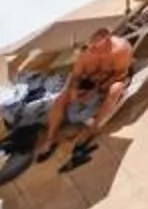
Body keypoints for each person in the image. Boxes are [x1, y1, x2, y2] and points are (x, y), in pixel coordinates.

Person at [37, 28, 133, 162]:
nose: (92, 50)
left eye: (96, 48)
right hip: (89, 82)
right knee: (61, 99)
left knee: (115, 89)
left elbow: (121, 74)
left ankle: (94, 128)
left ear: (107, 43)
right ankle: (50, 138)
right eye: (91, 47)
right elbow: (75, 76)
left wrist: (97, 88)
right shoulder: (86, 55)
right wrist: (74, 90)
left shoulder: (121, 50)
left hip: (111, 81)